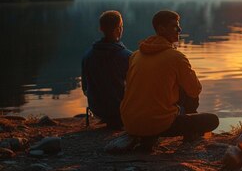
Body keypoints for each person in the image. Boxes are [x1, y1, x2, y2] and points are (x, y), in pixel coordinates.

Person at [120, 10, 219, 150]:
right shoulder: (176, 57)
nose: (179, 29)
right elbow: (195, 90)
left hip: (130, 123)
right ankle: (188, 134)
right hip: (159, 124)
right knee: (212, 120)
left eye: (178, 26)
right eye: (174, 26)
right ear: (161, 29)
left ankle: (146, 137)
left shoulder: (135, 55)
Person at [81, 10, 132, 129]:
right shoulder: (127, 56)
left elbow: (85, 88)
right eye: (121, 26)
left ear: (101, 29)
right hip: (119, 110)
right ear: (119, 28)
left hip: (97, 109)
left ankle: (108, 117)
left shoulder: (87, 55)